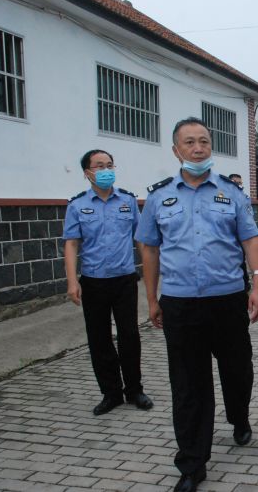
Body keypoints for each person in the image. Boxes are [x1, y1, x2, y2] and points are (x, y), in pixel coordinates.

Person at [135, 117, 258, 492]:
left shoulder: (232, 193)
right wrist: (152, 299)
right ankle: (192, 464)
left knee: (238, 371)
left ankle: (239, 417)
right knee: (189, 386)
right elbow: (150, 249)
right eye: (190, 143)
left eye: (204, 142)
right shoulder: (159, 197)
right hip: (180, 305)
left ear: (212, 148)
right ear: (176, 150)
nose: (198, 148)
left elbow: (251, 242)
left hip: (227, 301)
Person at [63, 150, 154, 417]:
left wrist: (151, 274)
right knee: (99, 339)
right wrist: (71, 281)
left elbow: (141, 240)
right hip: (93, 281)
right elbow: (71, 244)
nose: (106, 170)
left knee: (130, 336)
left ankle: (134, 390)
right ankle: (111, 393)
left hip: (124, 280)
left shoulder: (127, 201)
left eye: (110, 165)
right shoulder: (77, 206)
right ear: (87, 173)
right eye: (99, 166)